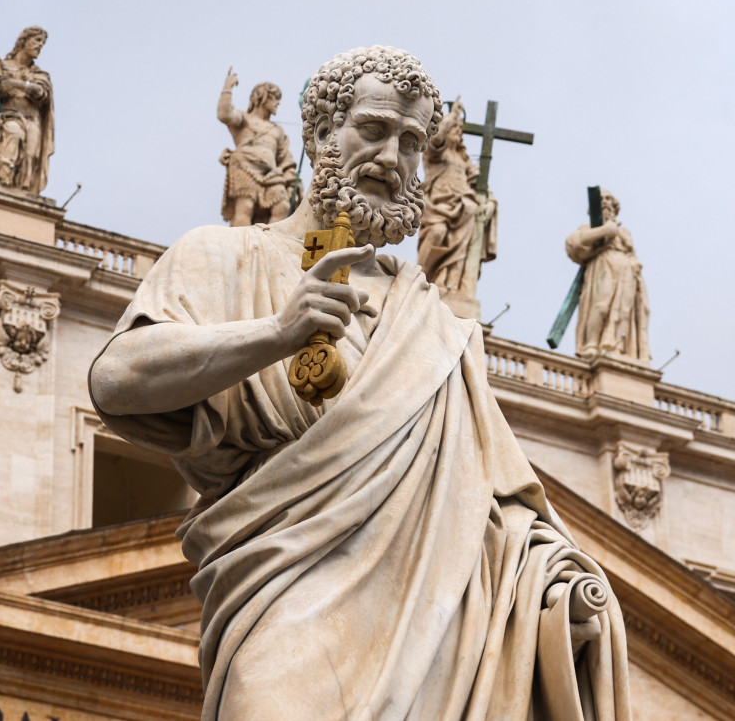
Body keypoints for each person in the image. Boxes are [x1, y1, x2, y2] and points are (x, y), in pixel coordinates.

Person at [90, 46, 629, 720]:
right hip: (281, 608)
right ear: (319, 136)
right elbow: (115, 379)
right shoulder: (223, 256)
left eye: (410, 142)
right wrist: (276, 333)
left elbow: (501, 508)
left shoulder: (435, 324)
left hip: (432, 634)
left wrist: (553, 585)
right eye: (373, 129)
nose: (391, 157)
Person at [417, 98, 497, 298]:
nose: (457, 132)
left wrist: (491, 203)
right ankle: (422, 280)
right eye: (454, 128)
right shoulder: (433, 154)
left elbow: (481, 186)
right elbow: (435, 140)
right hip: (437, 206)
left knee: (462, 247)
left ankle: (451, 285)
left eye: (459, 130)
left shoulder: (463, 160)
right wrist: (452, 117)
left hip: (464, 209)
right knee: (437, 233)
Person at [564, 190, 650, 361]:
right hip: (603, 265)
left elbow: (632, 253)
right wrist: (604, 231)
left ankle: (617, 346)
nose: (606, 205)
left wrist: (634, 264)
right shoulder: (589, 228)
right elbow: (573, 243)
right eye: (602, 202)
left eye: (609, 202)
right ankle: (592, 344)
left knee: (623, 310)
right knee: (601, 305)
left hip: (626, 270)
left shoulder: (624, 232)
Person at [0, 26, 54, 195]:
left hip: (33, 120)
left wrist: (16, 84)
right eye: (37, 40)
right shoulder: (0, 65)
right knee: (13, 137)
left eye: (42, 42)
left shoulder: (39, 74)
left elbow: (41, 93)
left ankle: (24, 196)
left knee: (30, 158)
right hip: (10, 115)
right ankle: (4, 188)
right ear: (23, 41)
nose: (40, 45)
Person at [217, 72, 297, 226]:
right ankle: (241, 243)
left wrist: (289, 177)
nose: (277, 104)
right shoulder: (245, 119)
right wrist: (228, 88)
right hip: (244, 166)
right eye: (275, 99)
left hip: (271, 174)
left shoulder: (277, 130)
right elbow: (224, 114)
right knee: (245, 207)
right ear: (263, 97)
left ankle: (269, 241)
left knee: (283, 206)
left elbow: (285, 158)